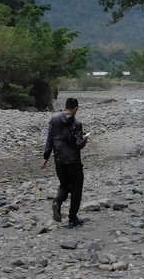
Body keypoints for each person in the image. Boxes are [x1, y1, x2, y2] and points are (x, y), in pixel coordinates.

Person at [41, 97, 90, 226]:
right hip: (73, 162)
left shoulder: (54, 120)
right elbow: (78, 144)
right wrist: (85, 139)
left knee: (64, 185)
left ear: (65, 106)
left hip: (59, 161)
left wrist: (45, 158)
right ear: (75, 108)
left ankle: (57, 201)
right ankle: (73, 218)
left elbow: (49, 140)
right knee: (76, 189)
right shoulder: (76, 123)